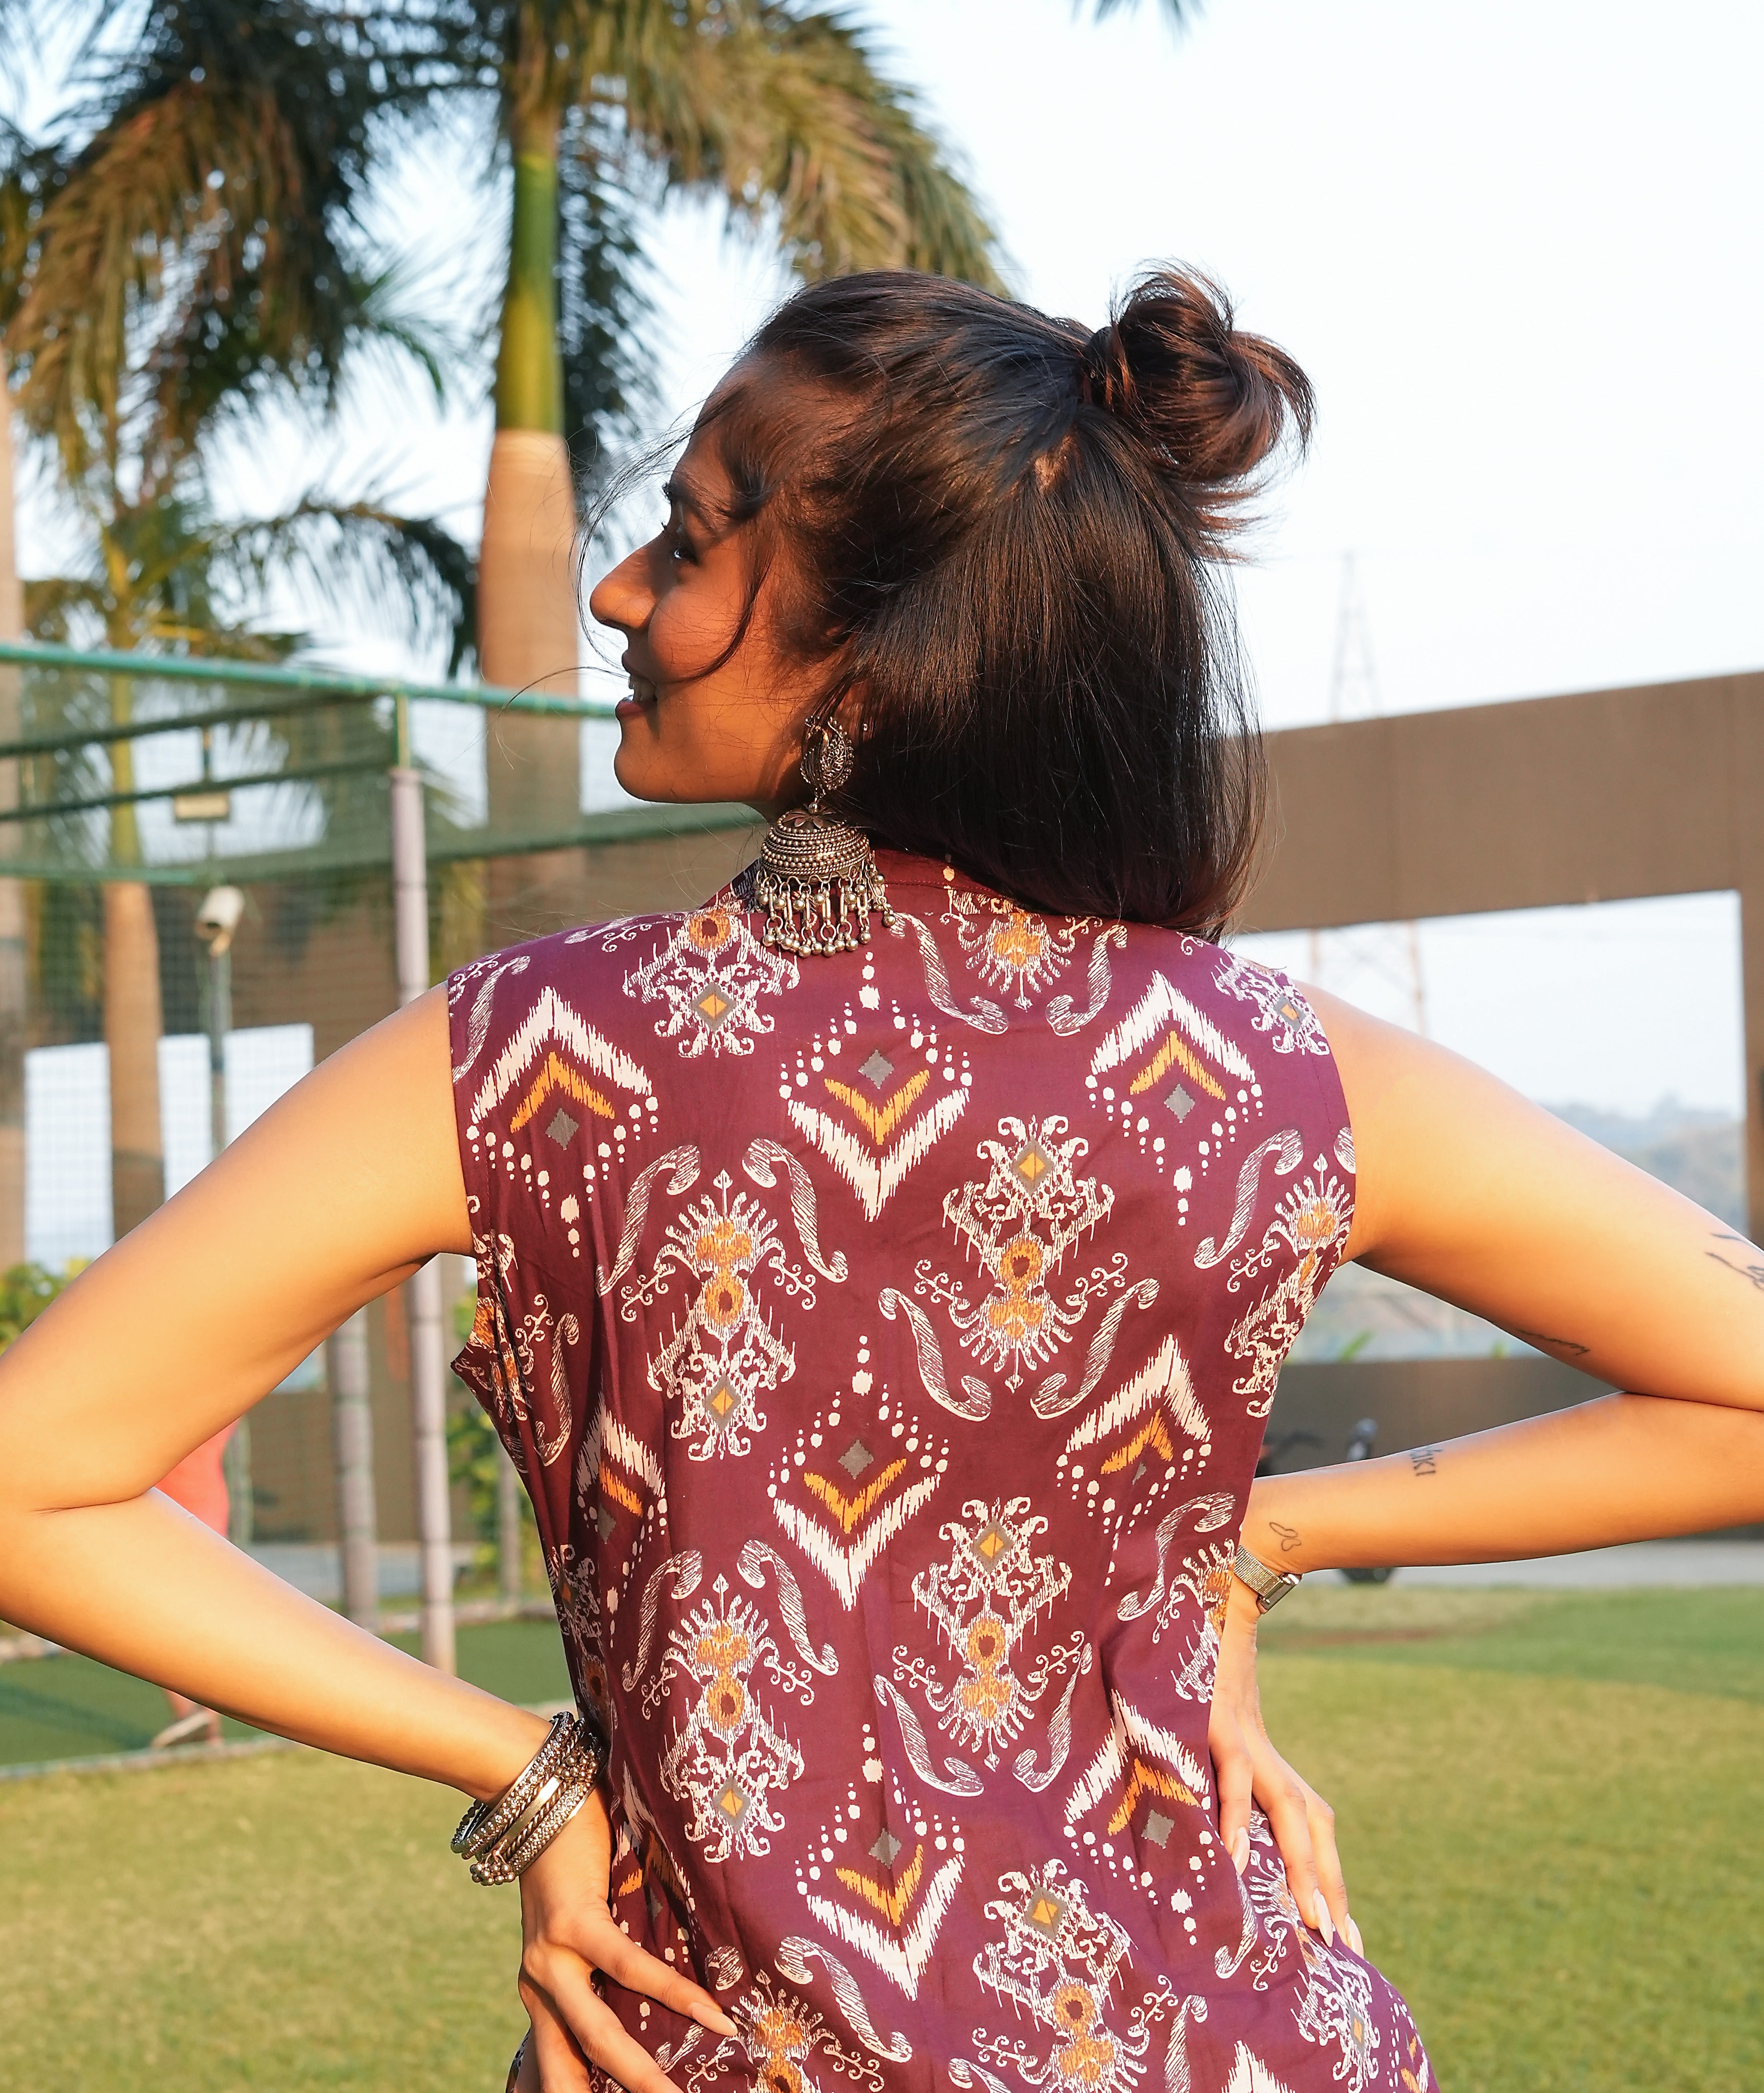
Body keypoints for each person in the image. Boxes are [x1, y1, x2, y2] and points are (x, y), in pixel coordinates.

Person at [1, 266, 1759, 2093]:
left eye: (684, 544)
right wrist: (1265, 1541)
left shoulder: (532, 1059)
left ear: (868, 651)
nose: (615, 592)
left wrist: (522, 1777)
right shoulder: (1286, 1070)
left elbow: (31, 1474)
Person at [149, 1425, 233, 1746]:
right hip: (203, 1507)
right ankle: (204, 1725)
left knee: (157, 1619)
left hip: (173, 1510)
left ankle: (193, 1716)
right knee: (192, 1619)